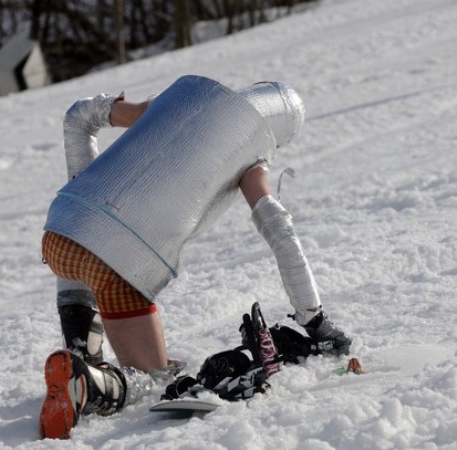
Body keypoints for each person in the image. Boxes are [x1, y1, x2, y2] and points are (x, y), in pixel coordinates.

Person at [38, 75, 352, 439]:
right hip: (121, 264)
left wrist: (85, 197)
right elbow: (280, 232)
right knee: (153, 380)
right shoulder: (252, 151)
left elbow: (77, 116)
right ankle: (89, 386)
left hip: (60, 232)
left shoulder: (171, 103)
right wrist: (313, 319)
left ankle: (79, 359)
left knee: (87, 250)